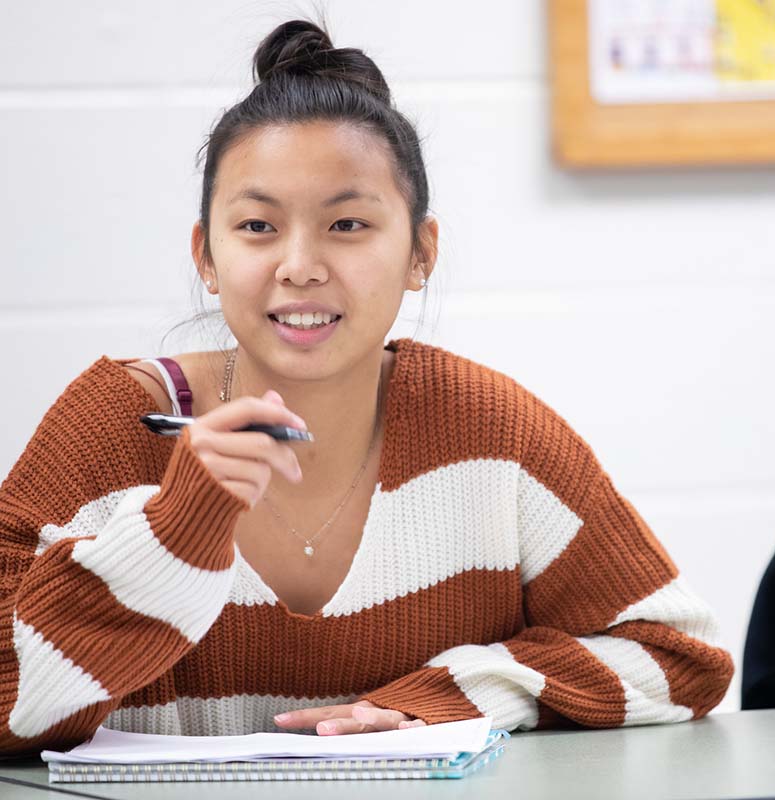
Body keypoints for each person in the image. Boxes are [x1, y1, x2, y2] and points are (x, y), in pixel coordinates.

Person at [0, 20, 733, 756]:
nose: (300, 265)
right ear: (207, 256)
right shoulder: (111, 427)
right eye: (257, 226)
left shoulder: (491, 435)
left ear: (421, 252)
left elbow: (677, 655)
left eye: (347, 224)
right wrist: (173, 532)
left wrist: (447, 700)